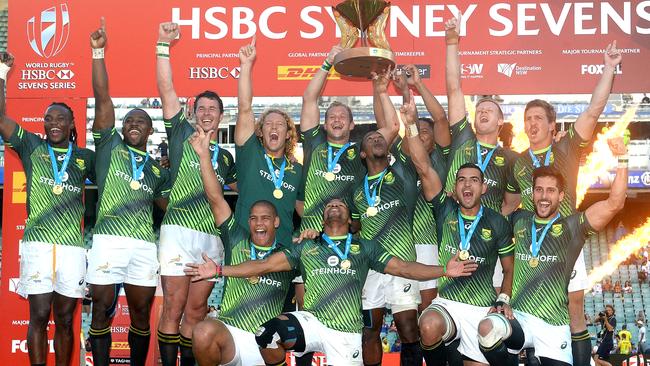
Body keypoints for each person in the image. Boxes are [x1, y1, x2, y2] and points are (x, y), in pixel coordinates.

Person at [185, 197, 478, 366]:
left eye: (340, 204)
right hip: (312, 320)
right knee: (269, 332)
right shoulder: (306, 246)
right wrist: (220, 271)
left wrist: (444, 270)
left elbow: (404, 268)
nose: (334, 206)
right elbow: (263, 264)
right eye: (329, 205)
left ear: (350, 218)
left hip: (345, 333)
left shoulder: (365, 248)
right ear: (323, 217)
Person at [511, 36, 622, 365]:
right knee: (526, 310)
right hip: (529, 247)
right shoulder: (518, 162)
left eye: (537, 119)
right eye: (527, 119)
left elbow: (593, 110)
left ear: (551, 124)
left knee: (574, 308)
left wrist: (609, 68)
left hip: (564, 241)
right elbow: (509, 202)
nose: (531, 124)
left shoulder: (566, 148)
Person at [476, 137, 627, 366]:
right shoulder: (519, 220)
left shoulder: (573, 227)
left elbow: (615, 203)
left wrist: (623, 159)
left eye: (550, 191)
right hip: (520, 320)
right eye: (538, 190)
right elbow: (482, 221)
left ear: (561, 196)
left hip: (553, 327)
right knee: (487, 328)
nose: (544, 196)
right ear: (532, 194)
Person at [402, 96, 514, 366]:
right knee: (427, 324)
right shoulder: (445, 210)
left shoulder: (497, 221)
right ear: (455, 187)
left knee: (491, 339)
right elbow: (423, 167)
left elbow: (509, 269)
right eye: (462, 180)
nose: (467, 185)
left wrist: (503, 299)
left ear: (483, 188)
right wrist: (410, 125)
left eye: (474, 180)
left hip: (481, 307)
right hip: (448, 304)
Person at [0, 52, 95, 366]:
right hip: (38, 245)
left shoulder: (84, 156)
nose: (54, 123)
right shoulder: (31, 146)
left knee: (66, 320)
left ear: (71, 125)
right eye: (49, 119)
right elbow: (1, 120)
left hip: (71, 248)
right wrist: (2, 72)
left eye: (60, 119)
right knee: (39, 314)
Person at [86, 19, 171, 366]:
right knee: (102, 312)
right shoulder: (109, 145)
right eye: (129, 122)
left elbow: (169, 205)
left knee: (139, 314)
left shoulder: (155, 170)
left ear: (150, 131)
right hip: (108, 240)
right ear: (121, 127)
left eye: (142, 122)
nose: (134, 125)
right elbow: (102, 96)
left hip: (143, 246)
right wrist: (98, 52)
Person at [155, 22, 237, 366]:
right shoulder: (180, 134)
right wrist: (163, 45)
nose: (206, 113)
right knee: (172, 307)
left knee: (197, 309)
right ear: (193, 113)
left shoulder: (227, 158)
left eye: (212, 109)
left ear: (220, 117)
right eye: (201, 108)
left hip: (210, 238)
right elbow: (166, 89)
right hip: (176, 233)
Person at [186, 126, 295, 366]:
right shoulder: (235, 238)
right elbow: (215, 197)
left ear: (276, 222)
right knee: (203, 330)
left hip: (266, 343)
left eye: (265, 218)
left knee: (272, 337)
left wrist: (218, 270)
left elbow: (263, 267)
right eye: (254, 218)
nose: (259, 223)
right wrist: (204, 156)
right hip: (231, 336)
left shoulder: (288, 253)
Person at [351, 71, 421, 366]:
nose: (378, 140)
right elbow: (355, 227)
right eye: (371, 139)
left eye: (381, 138)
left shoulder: (401, 174)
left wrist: (382, 91)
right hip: (372, 267)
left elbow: (395, 127)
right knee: (369, 331)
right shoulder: (357, 190)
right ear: (364, 153)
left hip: (402, 264)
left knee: (408, 330)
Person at [443, 17, 520, 217]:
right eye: (480, 111)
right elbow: (454, 88)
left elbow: (512, 202)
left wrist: (494, 223)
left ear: (500, 121)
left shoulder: (509, 158)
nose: (483, 112)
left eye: (489, 110)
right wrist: (452, 42)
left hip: (488, 238)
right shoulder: (463, 137)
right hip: (453, 227)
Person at [391, 64, 451, 313]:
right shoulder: (404, 159)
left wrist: (416, 85)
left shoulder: (442, 157)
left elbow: (440, 119)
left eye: (427, 132)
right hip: (402, 244)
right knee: (406, 315)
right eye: (418, 131)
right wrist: (404, 90)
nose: (422, 134)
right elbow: (409, 118)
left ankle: (431, 352)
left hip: (430, 242)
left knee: (428, 306)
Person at [234, 36, 303, 251]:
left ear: (288, 134)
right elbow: (245, 107)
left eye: (280, 125)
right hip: (243, 245)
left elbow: (303, 209)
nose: (274, 128)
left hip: (281, 250)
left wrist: (313, 231)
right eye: (268, 124)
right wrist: (246, 66)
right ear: (260, 133)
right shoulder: (250, 153)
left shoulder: (297, 169)